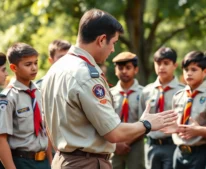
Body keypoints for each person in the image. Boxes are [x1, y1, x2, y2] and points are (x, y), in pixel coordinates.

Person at [41, 9, 177, 169]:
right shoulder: (86, 75)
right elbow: (114, 133)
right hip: (86, 163)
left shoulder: (56, 69)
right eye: (113, 43)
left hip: (64, 159)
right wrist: (147, 124)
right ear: (101, 40)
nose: (113, 50)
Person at [0, 43, 52, 169]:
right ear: (13, 67)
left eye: (35, 63)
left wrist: (51, 163)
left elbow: (45, 131)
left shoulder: (39, 93)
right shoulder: (8, 97)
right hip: (22, 162)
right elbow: (1, 140)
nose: (34, 68)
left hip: (43, 161)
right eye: (28, 64)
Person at [139, 47, 184, 169]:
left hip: (172, 145)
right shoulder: (146, 91)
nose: (161, 67)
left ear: (175, 65)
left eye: (166, 63)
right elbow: (141, 120)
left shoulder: (183, 91)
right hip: (151, 145)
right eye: (158, 63)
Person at [170, 51, 206, 169]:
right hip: (179, 151)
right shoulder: (178, 95)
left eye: (194, 70)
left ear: (204, 72)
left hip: (200, 152)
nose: (189, 73)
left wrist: (199, 131)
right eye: (186, 69)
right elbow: (174, 121)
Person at [110, 52, 145, 169]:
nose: (124, 71)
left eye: (128, 68)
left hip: (136, 143)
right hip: (113, 144)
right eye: (120, 68)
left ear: (136, 70)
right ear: (115, 70)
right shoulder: (109, 94)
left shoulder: (144, 93)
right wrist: (116, 144)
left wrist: (127, 142)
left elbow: (145, 122)